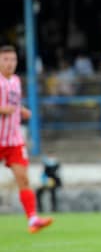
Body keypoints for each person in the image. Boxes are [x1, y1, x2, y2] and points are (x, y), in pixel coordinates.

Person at [0, 45, 53, 233]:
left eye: (13, 60)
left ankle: (32, 219)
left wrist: (21, 110)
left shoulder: (15, 81)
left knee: (23, 178)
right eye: (5, 59)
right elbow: (4, 106)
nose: (10, 63)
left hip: (14, 140)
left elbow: (13, 102)